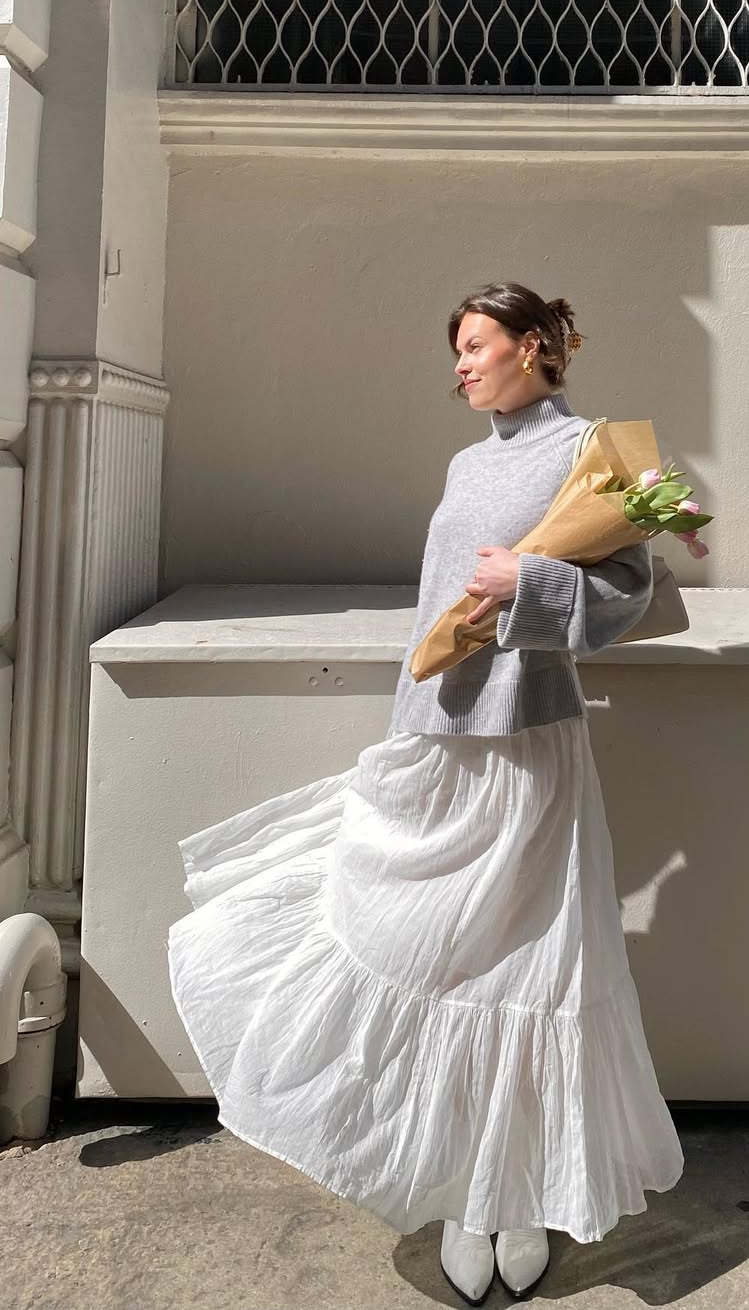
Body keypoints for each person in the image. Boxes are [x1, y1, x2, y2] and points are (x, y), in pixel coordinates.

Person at [166, 280, 685, 1305]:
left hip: (531, 751)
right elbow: (434, 612)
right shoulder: (466, 461)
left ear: (533, 345)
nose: (460, 365)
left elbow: (639, 598)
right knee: (430, 958)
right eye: (456, 350)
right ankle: (464, 1191)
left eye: (477, 344)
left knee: (534, 975)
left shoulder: (595, 454)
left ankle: (523, 1193)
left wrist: (529, 586)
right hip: (441, 742)